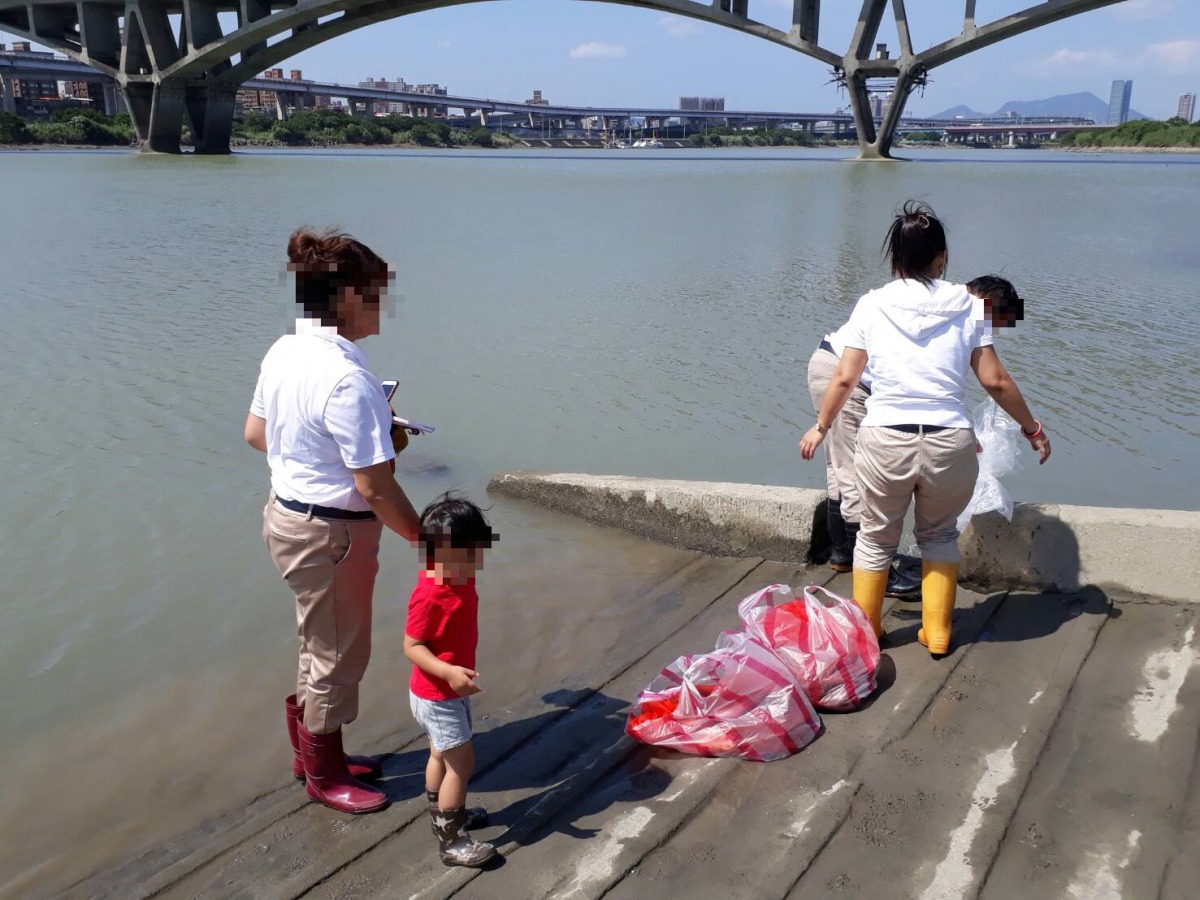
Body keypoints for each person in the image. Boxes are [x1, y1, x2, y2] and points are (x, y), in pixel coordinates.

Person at [800, 202, 1050, 657]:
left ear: (895, 259)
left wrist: (821, 426)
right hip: (949, 441)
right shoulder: (971, 307)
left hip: (885, 438)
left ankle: (868, 634)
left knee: (876, 537)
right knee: (939, 535)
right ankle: (937, 635)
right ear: (942, 257)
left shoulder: (872, 304)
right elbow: (995, 380)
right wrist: (1032, 429)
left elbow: (845, 377)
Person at [245, 227, 421, 814]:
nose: (383, 308)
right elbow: (375, 484)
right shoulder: (348, 378)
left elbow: (256, 435)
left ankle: (314, 753)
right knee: (340, 653)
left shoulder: (284, 349)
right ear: (347, 296)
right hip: (332, 534)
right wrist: (426, 541)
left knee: (318, 640)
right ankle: (323, 773)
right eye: (376, 294)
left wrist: (342, 441)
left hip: (287, 518)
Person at [405, 492, 499, 868]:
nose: (476, 562)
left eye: (477, 552)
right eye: (469, 554)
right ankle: (452, 841)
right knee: (461, 762)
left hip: (443, 691)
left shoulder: (460, 577)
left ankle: (444, 815)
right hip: (438, 694)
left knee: (439, 754)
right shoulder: (430, 594)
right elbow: (412, 646)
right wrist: (447, 671)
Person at [807, 326, 920, 597]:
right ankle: (879, 576)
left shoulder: (888, 300)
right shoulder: (943, 312)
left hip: (826, 360)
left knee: (838, 464)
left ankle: (843, 552)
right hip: (847, 375)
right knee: (855, 472)